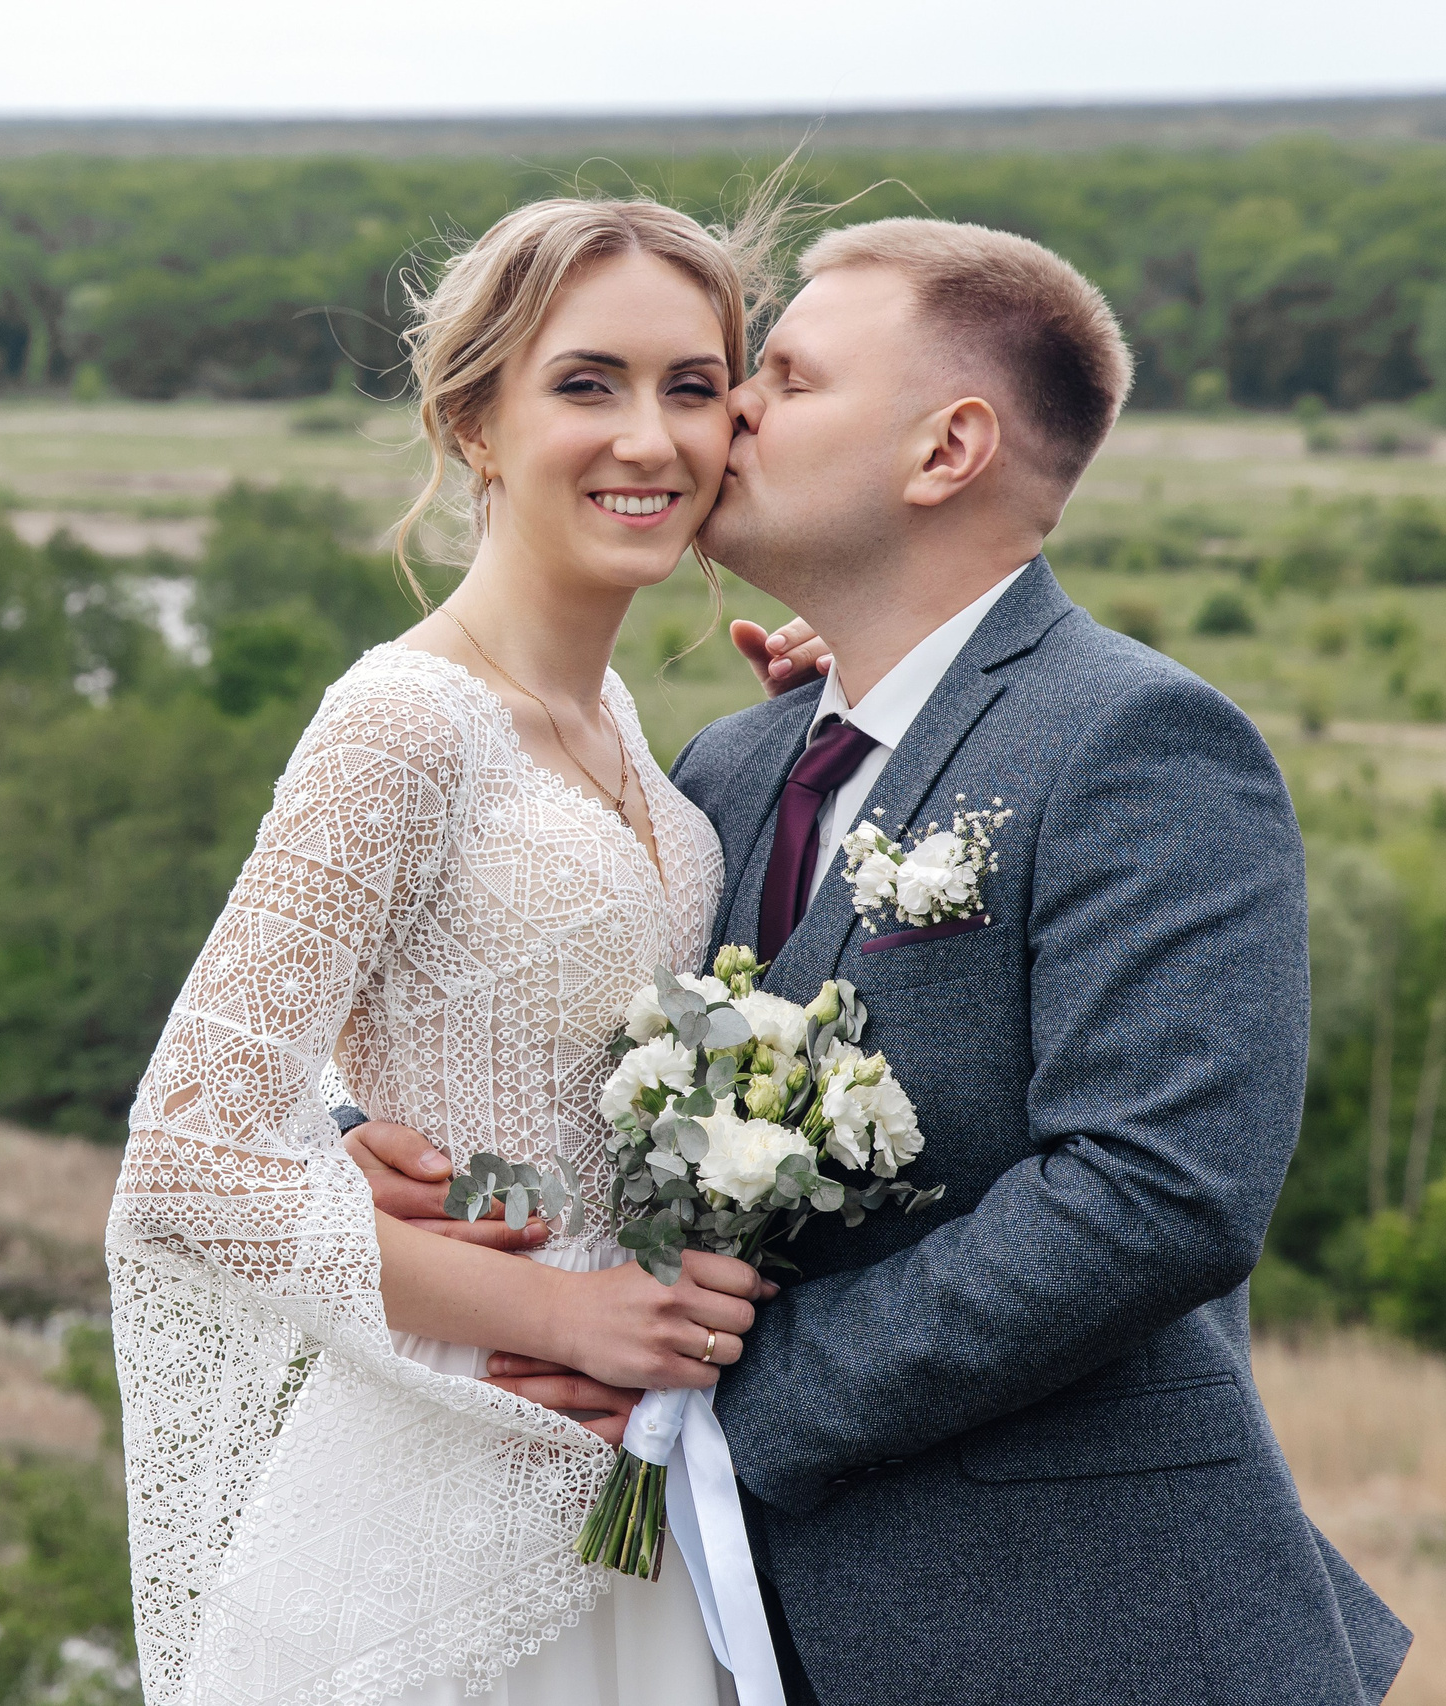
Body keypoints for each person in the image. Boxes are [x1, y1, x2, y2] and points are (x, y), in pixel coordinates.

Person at [349, 218, 1412, 1705]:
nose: (731, 415)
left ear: (947, 449)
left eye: (781, 374)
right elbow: (540, 1026)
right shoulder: (732, 761)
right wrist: (372, 1141)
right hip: (727, 1633)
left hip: (1082, 1637)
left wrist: (717, 1398)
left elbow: (1156, 1190)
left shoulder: (1138, 742)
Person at [104, 196, 786, 1706]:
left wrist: (836, 694)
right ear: (474, 423)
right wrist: (568, 1311)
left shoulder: (626, 734)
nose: (652, 438)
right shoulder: (402, 725)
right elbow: (185, 1167)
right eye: (587, 383)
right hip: (435, 1486)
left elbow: (526, 1098)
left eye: (694, 387)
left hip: (624, 1489)